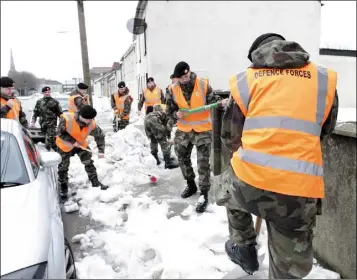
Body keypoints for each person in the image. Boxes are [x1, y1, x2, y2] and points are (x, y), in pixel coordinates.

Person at [214, 33, 339, 278]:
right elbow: (325, 129)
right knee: (288, 269)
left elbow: (230, 139)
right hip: (300, 192)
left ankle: (244, 246)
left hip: (250, 185)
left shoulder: (246, 80)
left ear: (256, 55)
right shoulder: (323, 79)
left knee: (226, 183)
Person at [166, 61, 224, 213]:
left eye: (185, 76)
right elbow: (169, 110)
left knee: (203, 162)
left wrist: (220, 103)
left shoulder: (203, 85)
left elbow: (214, 100)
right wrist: (175, 114)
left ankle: (203, 193)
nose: (184, 80)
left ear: (189, 72)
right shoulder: (172, 89)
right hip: (184, 129)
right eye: (180, 78)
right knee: (181, 157)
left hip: (203, 129)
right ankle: (191, 184)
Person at [56, 105, 108, 198]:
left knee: (89, 163)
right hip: (64, 145)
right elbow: (59, 133)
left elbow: (100, 136)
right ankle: (63, 186)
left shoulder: (91, 123)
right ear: (81, 116)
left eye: (91, 119)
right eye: (88, 119)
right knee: (63, 167)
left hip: (81, 144)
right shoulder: (67, 119)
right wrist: (72, 141)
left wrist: (101, 150)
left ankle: (95, 183)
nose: (90, 121)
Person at [144, 104, 179, 169]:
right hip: (154, 120)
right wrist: (168, 138)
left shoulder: (159, 113)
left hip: (146, 119)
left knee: (153, 140)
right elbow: (168, 128)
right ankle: (168, 163)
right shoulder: (171, 118)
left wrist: (168, 137)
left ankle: (155, 159)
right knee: (164, 143)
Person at [30, 86, 63, 151]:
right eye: (45, 92)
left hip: (52, 124)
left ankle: (50, 151)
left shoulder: (55, 102)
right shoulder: (39, 102)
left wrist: (62, 122)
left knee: (49, 138)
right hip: (43, 124)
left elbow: (60, 113)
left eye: (48, 92)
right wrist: (33, 122)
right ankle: (55, 150)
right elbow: (35, 112)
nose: (47, 93)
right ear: (43, 93)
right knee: (49, 139)